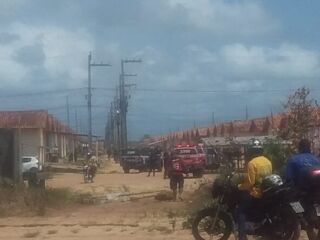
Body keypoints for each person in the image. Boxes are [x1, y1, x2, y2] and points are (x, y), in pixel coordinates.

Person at [236, 139, 272, 240]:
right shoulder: (267, 161)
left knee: (240, 211)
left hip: (256, 194)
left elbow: (250, 183)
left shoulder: (252, 163)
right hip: (267, 192)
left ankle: (242, 236)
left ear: (251, 151)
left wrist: (239, 187)